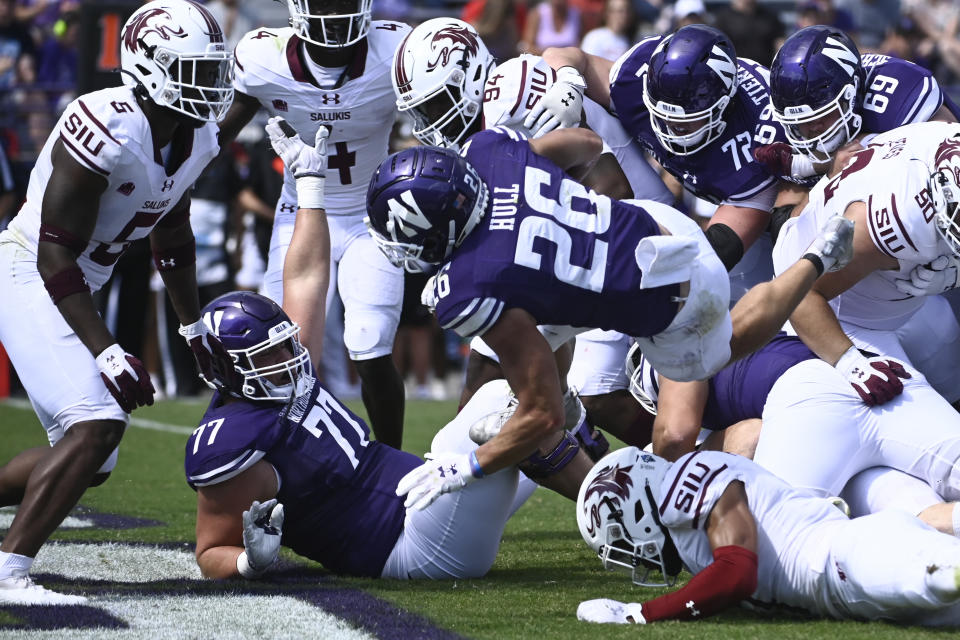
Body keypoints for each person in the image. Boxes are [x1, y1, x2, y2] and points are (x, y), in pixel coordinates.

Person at [364, 128, 854, 509]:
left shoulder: (472, 283)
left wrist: (465, 469)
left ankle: (815, 259)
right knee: (540, 314)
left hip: (682, 295)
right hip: (645, 223)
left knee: (721, 346)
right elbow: (587, 145)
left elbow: (542, 415)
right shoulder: (490, 152)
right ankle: (577, 408)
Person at [0, 0, 236, 604]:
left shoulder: (197, 136)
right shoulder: (106, 126)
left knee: (91, 459)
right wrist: (107, 352)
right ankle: (8, 573)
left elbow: (173, 233)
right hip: (30, 268)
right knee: (97, 425)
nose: (210, 84)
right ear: (150, 68)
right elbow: (54, 253)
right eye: (194, 69)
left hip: (80, 279)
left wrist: (190, 329)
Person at [186, 291, 523, 580]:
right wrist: (249, 562)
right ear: (224, 368)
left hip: (430, 507)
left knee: (515, 412)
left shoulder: (289, 380)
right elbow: (210, 550)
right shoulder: (231, 441)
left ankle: (572, 441)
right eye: (267, 355)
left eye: (284, 345)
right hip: (410, 547)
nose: (286, 360)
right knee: (501, 413)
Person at [217, 0, 409, 448]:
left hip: (370, 215)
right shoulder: (263, 59)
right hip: (302, 212)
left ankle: (390, 461)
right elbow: (216, 136)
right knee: (281, 352)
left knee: (369, 341)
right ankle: (290, 464)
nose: (334, 10)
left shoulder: (397, 49)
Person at [540, 25, 790, 302]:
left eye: (684, 122)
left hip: (765, 207)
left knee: (714, 291)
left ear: (725, 106)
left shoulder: (760, 140)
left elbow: (712, 252)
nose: (670, 128)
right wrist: (566, 82)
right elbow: (560, 55)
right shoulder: (636, 78)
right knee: (538, 83)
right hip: (658, 182)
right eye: (662, 116)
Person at [575, 447, 960, 625]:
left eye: (625, 543)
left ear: (636, 509)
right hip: (848, 595)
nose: (636, 558)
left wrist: (641, 613)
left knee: (940, 573)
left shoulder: (683, 479)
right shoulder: (696, 542)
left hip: (846, 557)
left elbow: (737, 572)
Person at [626, 334, 960, 536]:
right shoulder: (745, 332)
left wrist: (666, 496)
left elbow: (679, 434)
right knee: (926, 519)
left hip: (813, 403)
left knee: (784, 543)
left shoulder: (676, 351)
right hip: (878, 375)